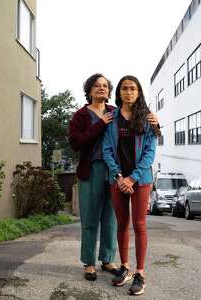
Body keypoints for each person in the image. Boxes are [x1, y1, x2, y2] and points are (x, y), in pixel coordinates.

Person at [68, 73, 159, 282]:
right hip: (92, 170)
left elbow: (143, 128)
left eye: (105, 86)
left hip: (114, 173)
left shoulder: (115, 111)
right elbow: (75, 142)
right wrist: (99, 124)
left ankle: (107, 259)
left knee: (111, 218)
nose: (101, 89)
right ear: (89, 90)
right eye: (96, 86)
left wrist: (157, 123)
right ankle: (89, 262)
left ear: (110, 92)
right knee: (90, 218)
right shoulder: (81, 115)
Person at [102, 75, 160, 295]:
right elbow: (107, 149)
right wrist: (119, 176)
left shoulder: (148, 119)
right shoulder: (112, 118)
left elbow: (150, 153)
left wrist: (132, 178)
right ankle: (124, 267)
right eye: (125, 89)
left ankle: (140, 272)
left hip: (140, 180)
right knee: (122, 223)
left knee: (139, 224)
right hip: (117, 180)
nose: (129, 92)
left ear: (138, 92)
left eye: (133, 89)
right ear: (119, 93)